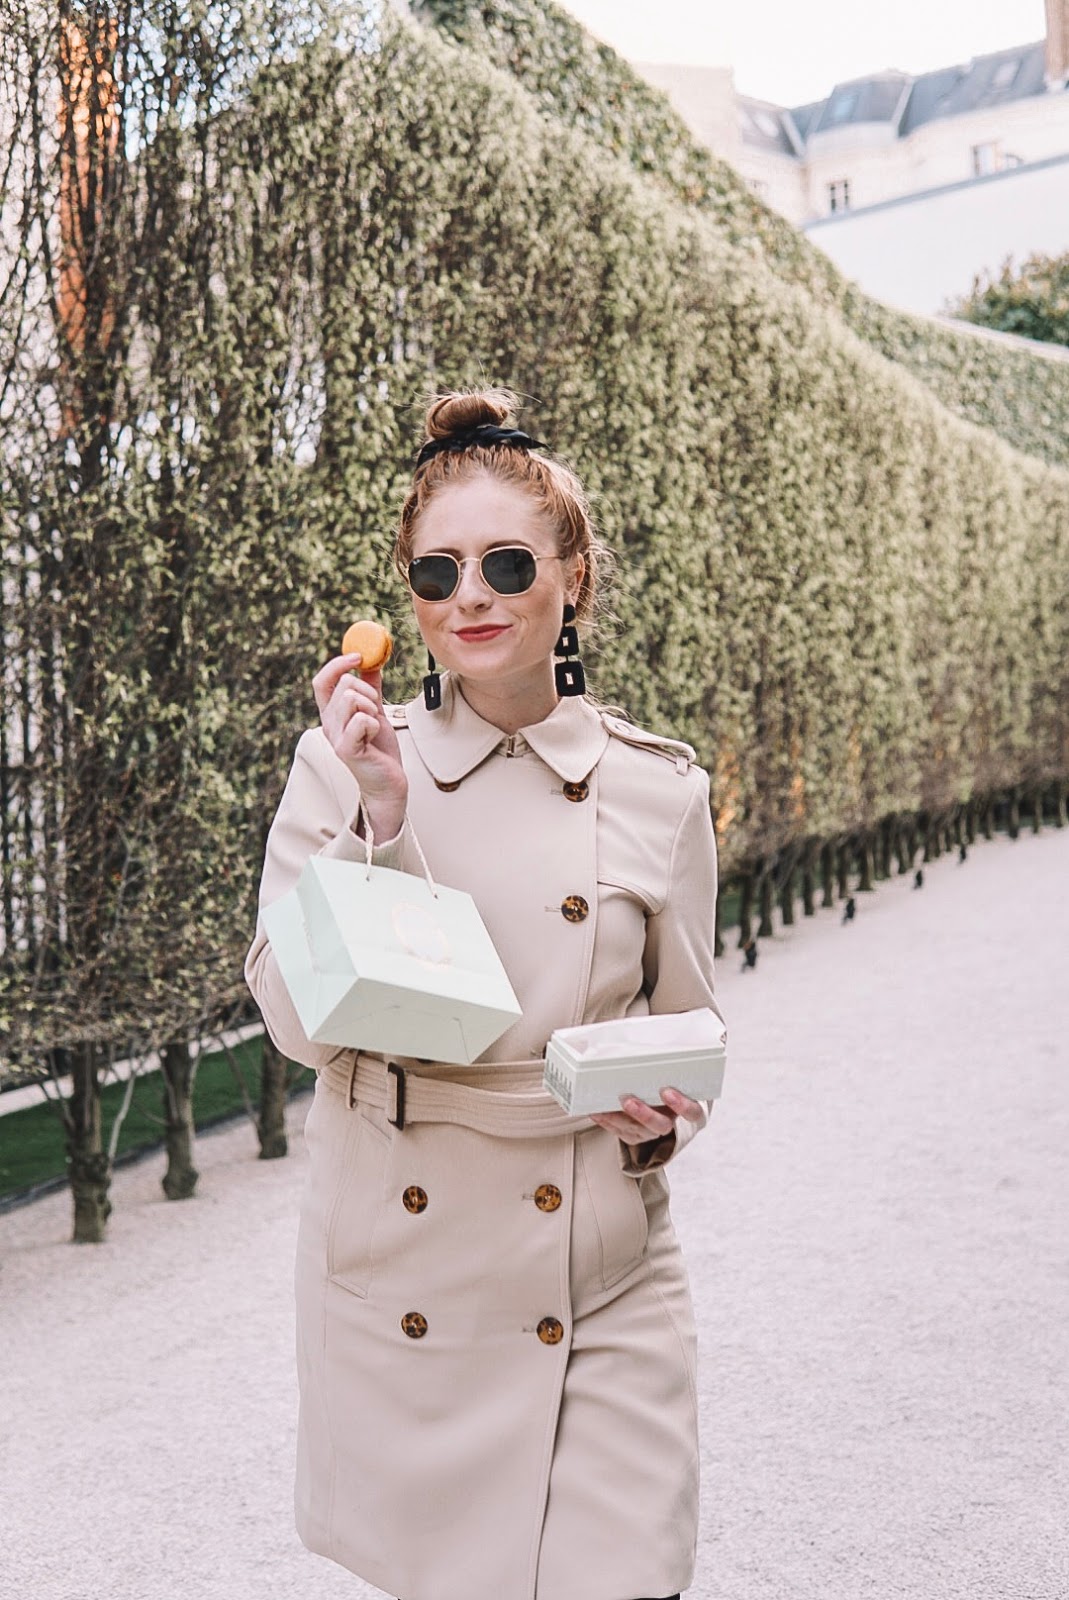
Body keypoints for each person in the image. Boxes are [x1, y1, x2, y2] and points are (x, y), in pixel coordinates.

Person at [244, 388, 726, 1600]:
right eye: (436, 569)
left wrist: (666, 1112)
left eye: (507, 562)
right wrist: (379, 817)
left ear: (572, 578)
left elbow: (691, 1029)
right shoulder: (340, 765)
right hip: (411, 1283)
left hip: (601, 1281)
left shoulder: (660, 792)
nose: (470, 594)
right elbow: (302, 1027)